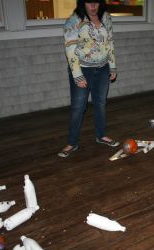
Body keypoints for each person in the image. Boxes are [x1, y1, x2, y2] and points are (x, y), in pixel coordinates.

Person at [58, 0, 119, 158]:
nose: (93, 6)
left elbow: (110, 42)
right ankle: (72, 143)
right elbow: (70, 48)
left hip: (103, 69)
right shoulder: (74, 20)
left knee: (100, 103)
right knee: (78, 107)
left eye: (96, 3)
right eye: (89, 3)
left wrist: (112, 66)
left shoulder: (106, 18)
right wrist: (77, 74)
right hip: (83, 69)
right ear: (82, 3)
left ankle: (101, 135)